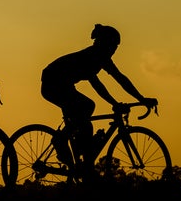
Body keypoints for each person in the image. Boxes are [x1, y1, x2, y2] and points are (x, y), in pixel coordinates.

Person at [40, 23, 158, 171]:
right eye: (113, 46)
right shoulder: (92, 56)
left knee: (85, 117)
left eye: (116, 47)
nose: (114, 50)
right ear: (104, 44)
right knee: (87, 107)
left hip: (63, 84)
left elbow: (121, 78)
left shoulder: (102, 57)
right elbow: (97, 85)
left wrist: (142, 98)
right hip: (53, 83)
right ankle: (62, 142)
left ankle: (81, 158)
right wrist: (114, 103)